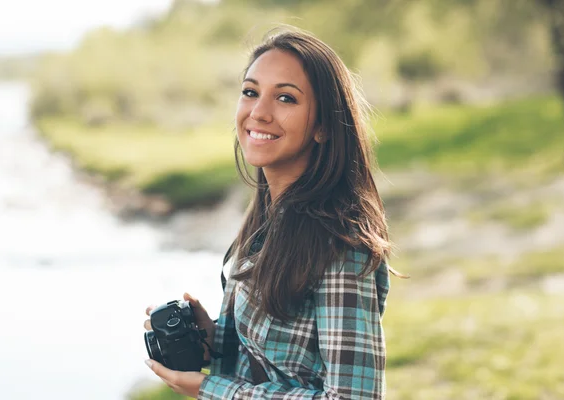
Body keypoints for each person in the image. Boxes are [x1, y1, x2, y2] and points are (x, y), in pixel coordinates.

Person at [144, 27, 400, 399]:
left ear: (324, 127)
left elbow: (352, 397)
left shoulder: (340, 243)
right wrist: (218, 339)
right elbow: (288, 361)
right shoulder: (271, 217)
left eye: (285, 98)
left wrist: (212, 389)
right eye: (250, 92)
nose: (259, 112)